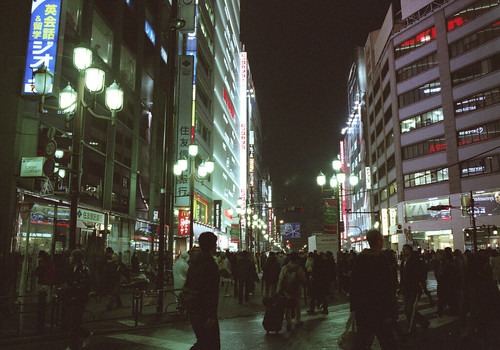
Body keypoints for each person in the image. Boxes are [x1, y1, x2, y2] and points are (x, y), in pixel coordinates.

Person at [350, 229, 399, 349]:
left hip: (364, 309)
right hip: (381, 309)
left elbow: (354, 285)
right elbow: (387, 286)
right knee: (388, 342)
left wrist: (354, 308)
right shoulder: (381, 258)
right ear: (378, 241)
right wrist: (390, 311)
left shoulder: (360, 258)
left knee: (362, 342)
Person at [184, 232, 220, 350]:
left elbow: (188, 284)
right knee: (210, 344)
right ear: (212, 245)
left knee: (203, 340)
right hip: (205, 310)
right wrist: (211, 315)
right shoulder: (210, 265)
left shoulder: (193, 263)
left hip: (193, 307)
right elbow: (211, 292)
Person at [64, 249, 92, 350]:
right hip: (72, 298)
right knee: (73, 322)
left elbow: (83, 286)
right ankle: (86, 334)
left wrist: (70, 288)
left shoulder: (83, 270)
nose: (70, 258)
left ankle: (72, 346)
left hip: (79, 299)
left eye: (71, 256)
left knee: (74, 322)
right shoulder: (73, 268)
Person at [400, 244, 430, 334]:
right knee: (407, 309)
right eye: (403, 249)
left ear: (410, 251)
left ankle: (420, 323)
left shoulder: (415, 261)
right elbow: (402, 276)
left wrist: (421, 282)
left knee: (409, 309)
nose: (404, 251)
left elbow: (422, 273)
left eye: (406, 249)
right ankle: (414, 326)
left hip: (414, 288)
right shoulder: (403, 262)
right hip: (406, 288)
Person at [278, 251, 306, 332]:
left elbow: (280, 280)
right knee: (297, 306)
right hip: (296, 289)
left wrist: (279, 290)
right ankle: (298, 321)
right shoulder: (298, 268)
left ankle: (289, 323)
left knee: (288, 307)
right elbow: (303, 279)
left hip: (286, 291)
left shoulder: (284, 268)